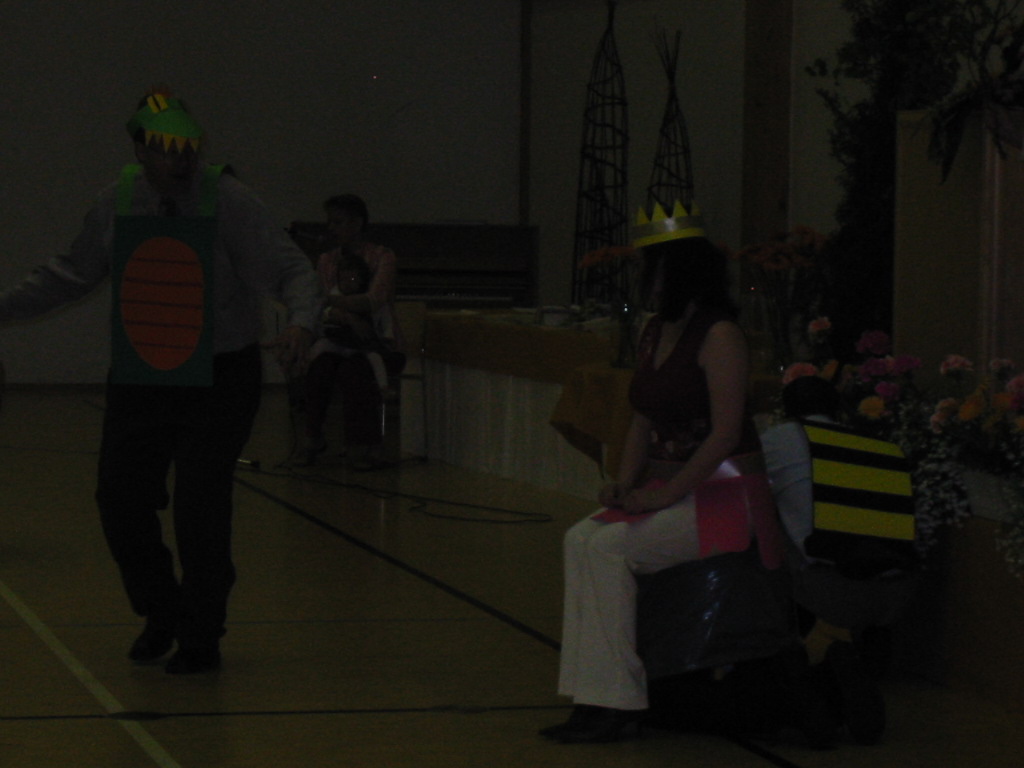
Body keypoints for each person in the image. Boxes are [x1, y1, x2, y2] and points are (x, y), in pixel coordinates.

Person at [0, 86, 320, 674]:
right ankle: (161, 609)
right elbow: (69, 274)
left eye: (188, 147)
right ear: (141, 151)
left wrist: (301, 322)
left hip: (220, 377)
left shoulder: (229, 200)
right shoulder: (117, 201)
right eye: (167, 149)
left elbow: (290, 267)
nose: (181, 158)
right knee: (120, 501)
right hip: (142, 375)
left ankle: (202, 633)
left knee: (200, 506)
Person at [541, 202, 784, 744]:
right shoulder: (655, 331)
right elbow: (641, 418)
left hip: (728, 498)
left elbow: (725, 433)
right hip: (677, 490)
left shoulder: (719, 335)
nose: (644, 281)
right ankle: (593, 696)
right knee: (580, 539)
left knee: (608, 549)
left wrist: (665, 493)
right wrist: (624, 483)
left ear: (676, 272)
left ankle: (616, 702)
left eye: (650, 269)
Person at [761, 373, 920, 745]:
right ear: (838, 409)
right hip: (897, 592)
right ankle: (844, 663)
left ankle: (810, 671)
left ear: (787, 411)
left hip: (830, 590)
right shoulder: (877, 444)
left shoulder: (779, 439)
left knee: (766, 524)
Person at [303, 194, 404, 468]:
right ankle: (313, 437)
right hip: (338, 338)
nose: (331, 228)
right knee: (317, 369)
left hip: (377, 342)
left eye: (338, 222)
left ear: (357, 223)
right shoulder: (326, 260)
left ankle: (366, 447)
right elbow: (319, 307)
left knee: (356, 371)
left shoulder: (382, 256)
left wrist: (331, 303)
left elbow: (373, 300)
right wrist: (347, 316)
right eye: (330, 222)